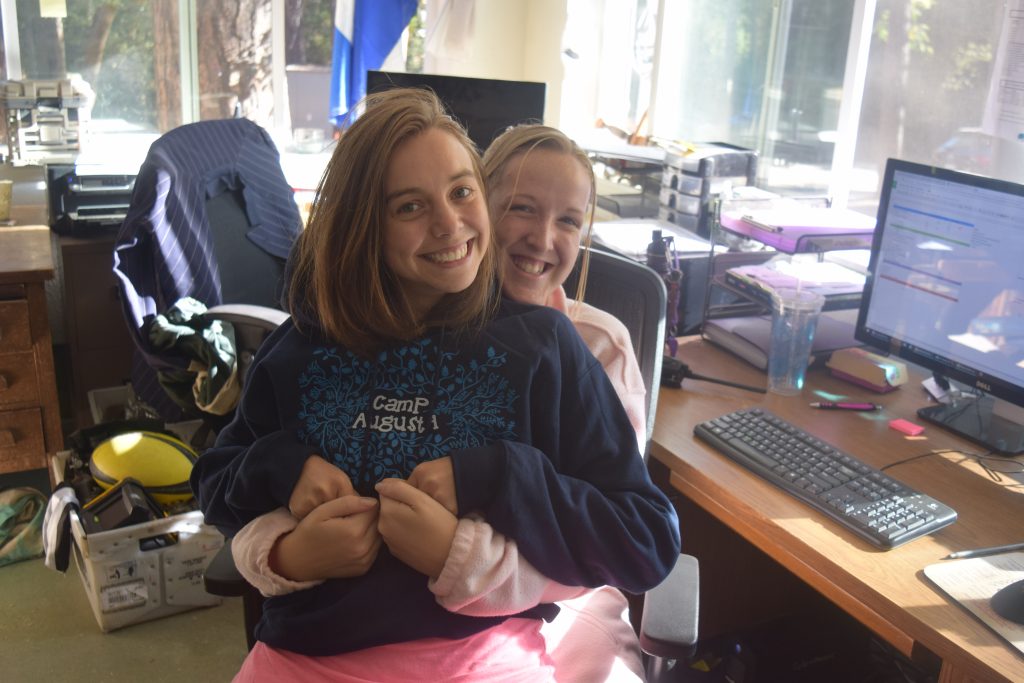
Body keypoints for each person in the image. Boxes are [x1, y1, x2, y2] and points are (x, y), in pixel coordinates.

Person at [190, 89, 680, 681]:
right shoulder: (303, 345)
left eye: (460, 192)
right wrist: (282, 474)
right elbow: (215, 481)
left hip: (480, 656)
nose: (449, 224)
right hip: (307, 655)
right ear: (363, 226)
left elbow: (646, 540)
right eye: (409, 207)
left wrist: (496, 475)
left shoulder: (545, 347)